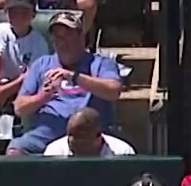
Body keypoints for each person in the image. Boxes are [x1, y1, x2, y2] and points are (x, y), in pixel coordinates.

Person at [8, 12, 122, 155]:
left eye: (67, 36)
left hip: (89, 135)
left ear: (81, 37)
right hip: (49, 132)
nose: (62, 42)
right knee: (16, 150)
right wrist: (43, 96)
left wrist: (74, 77)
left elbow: (113, 91)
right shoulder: (41, 65)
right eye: (57, 37)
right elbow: (19, 108)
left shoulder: (100, 63)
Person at [0, 0, 49, 113]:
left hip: (25, 88)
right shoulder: (0, 30)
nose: (18, 16)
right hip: (1, 83)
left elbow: (30, 76)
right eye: (13, 12)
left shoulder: (39, 42)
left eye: (24, 12)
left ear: (33, 14)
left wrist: (3, 92)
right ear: (6, 13)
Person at [43, 106, 136, 155]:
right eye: (70, 134)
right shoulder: (54, 152)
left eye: (80, 136)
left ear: (98, 135)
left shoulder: (122, 151)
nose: (72, 140)